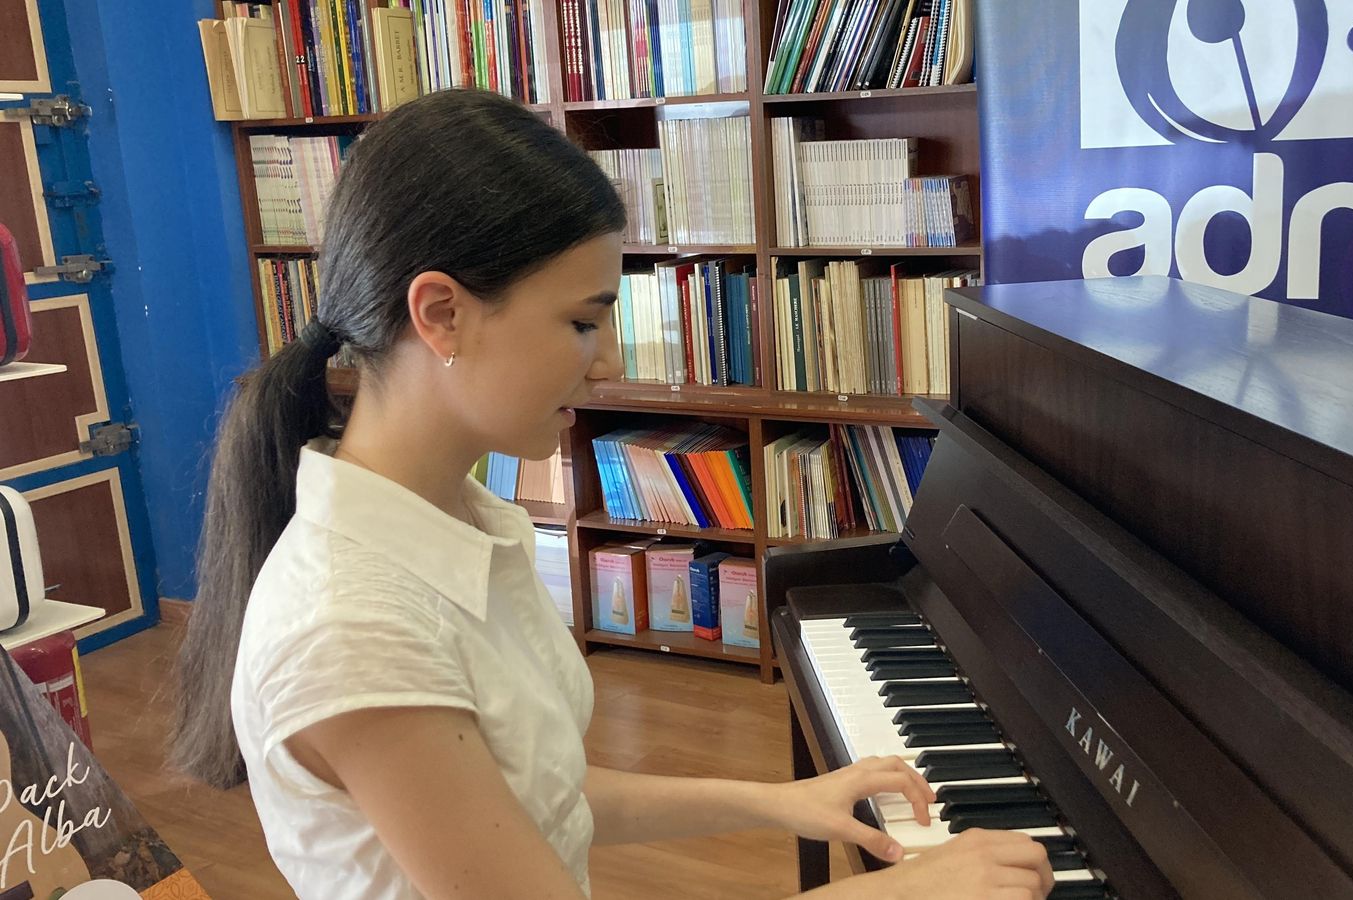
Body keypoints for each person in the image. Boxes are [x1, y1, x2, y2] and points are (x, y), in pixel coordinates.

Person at [170, 88, 1054, 900]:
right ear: (440, 314)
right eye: (583, 322)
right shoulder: (351, 628)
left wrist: (782, 801)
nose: (611, 362)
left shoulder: (464, 519)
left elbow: (542, 794)